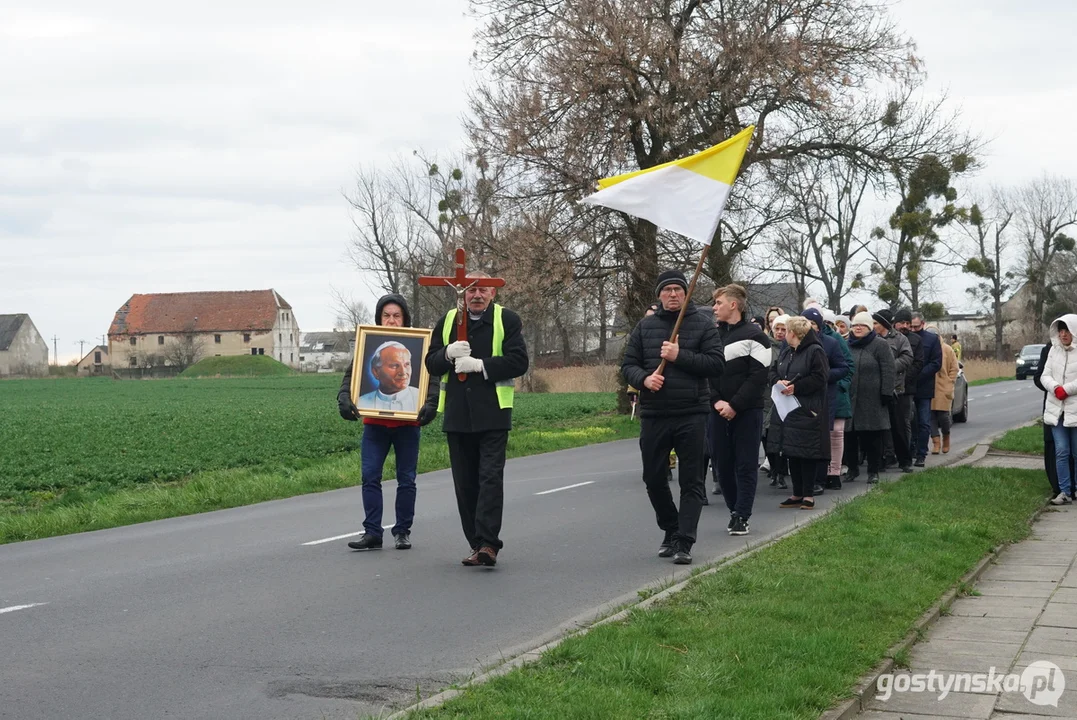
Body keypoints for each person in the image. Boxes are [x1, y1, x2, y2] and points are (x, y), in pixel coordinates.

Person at [425, 273, 529, 567]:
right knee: (465, 484)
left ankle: (488, 544)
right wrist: (446, 353)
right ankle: (475, 542)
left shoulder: (506, 319)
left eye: (482, 290)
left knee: (490, 479)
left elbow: (519, 361)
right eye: (471, 291)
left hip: (493, 413)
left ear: (492, 293)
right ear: (462, 295)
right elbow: (430, 362)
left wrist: (481, 365)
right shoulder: (447, 321)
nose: (477, 295)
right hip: (458, 415)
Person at [621, 269, 724, 564]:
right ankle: (671, 527)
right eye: (667, 290)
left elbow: (716, 364)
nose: (673, 294)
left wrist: (681, 356)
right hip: (655, 413)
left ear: (686, 293)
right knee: (653, 477)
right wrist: (644, 380)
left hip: (691, 412)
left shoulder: (704, 326)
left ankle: (685, 541)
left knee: (692, 480)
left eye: (679, 289)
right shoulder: (645, 327)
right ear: (659, 295)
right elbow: (629, 364)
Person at [338, 294, 439, 551]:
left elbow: (432, 378)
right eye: (386, 316)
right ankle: (372, 532)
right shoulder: (368, 344)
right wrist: (343, 398)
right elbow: (351, 377)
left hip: (408, 426)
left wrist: (431, 404)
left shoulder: (420, 345)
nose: (392, 320)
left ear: (404, 319)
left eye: (397, 315)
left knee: (406, 479)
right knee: (370, 476)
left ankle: (402, 531)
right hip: (374, 425)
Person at [711, 284, 772, 536]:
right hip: (715, 410)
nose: (714, 308)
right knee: (722, 465)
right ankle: (733, 508)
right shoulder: (711, 337)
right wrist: (716, 401)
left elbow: (758, 376)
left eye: (718, 303)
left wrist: (735, 404)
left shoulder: (757, 337)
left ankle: (742, 514)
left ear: (733, 305)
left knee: (745, 464)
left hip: (747, 411)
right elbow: (705, 373)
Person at [767, 316, 830, 510]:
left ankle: (808, 495)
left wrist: (797, 387)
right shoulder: (787, 352)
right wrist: (778, 382)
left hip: (806, 408)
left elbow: (820, 378)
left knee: (806, 452)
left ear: (793, 333)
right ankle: (796, 493)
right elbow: (773, 371)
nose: (783, 334)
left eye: (785, 330)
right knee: (791, 450)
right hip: (787, 409)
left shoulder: (815, 351)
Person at [802, 307, 853, 492]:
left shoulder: (831, 343)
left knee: (823, 437)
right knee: (804, 437)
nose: (809, 327)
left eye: (813, 323)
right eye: (806, 323)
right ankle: (803, 480)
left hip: (825, 395)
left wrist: (822, 375)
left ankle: (820, 478)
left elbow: (844, 367)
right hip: (801, 395)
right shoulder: (792, 343)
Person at [845, 312, 896, 484]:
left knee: (872, 438)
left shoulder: (879, 345)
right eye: (855, 325)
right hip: (850, 399)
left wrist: (886, 392)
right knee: (849, 437)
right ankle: (852, 470)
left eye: (863, 325)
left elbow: (888, 370)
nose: (858, 328)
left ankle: (873, 471)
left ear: (870, 327)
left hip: (872, 399)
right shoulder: (846, 345)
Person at [1040, 313, 1077, 505]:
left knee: (1076, 452)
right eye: (1061, 331)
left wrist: (1067, 389)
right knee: (1061, 451)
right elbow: (1044, 375)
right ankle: (1065, 491)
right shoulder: (1054, 351)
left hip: (1075, 408)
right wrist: (1055, 388)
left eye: (1067, 330)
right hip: (1057, 409)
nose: (1063, 335)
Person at [872, 309, 914, 473]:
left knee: (898, 427)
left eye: (875, 323)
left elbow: (908, 357)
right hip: (875, 389)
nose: (873, 325)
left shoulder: (899, 339)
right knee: (879, 428)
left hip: (895, 389)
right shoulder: (872, 339)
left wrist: (890, 367)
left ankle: (904, 460)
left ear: (883, 324)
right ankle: (882, 459)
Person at [892, 309, 924, 467]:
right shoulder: (888, 338)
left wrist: (904, 377)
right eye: (901, 323)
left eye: (907, 323)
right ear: (895, 323)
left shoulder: (916, 340)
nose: (904, 326)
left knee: (905, 421)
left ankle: (906, 453)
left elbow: (918, 363)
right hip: (889, 386)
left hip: (907, 388)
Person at [910, 312, 942, 466]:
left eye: (917, 326)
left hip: (924, 386)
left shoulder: (931, 339)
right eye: (911, 326)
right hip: (908, 386)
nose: (914, 329)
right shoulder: (906, 339)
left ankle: (921, 453)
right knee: (910, 421)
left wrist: (919, 374)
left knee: (923, 422)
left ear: (923, 324)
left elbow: (936, 363)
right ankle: (911, 450)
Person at [763, 314, 790, 490]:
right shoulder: (766, 346)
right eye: (777, 329)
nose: (779, 332)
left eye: (783, 329)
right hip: (766, 394)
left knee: (781, 434)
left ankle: (781, 472)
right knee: (765, 434)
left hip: (785, 394)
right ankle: (773, 468)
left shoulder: (791, 348)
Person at [356, 342, 423, 411]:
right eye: (394, 366)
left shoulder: (422, 399)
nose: (403, 372)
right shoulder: (361, 403)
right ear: (375, 372)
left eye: (407, 364)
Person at [1034, 341, 1063, 496]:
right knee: (1052, 444)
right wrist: (1054, 387)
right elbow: (1039, 377)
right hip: (1054, 404)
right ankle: (1057, 486)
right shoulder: (1049, 349)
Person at [928, 325, 959, 454]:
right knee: (931, 417)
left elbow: (954, 368)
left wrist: (949, 381)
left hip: (943, 387)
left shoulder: (947, 349)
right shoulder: (926, 348)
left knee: (943, 416)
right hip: (929, 386)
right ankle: (936, 443)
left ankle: (946, 437)